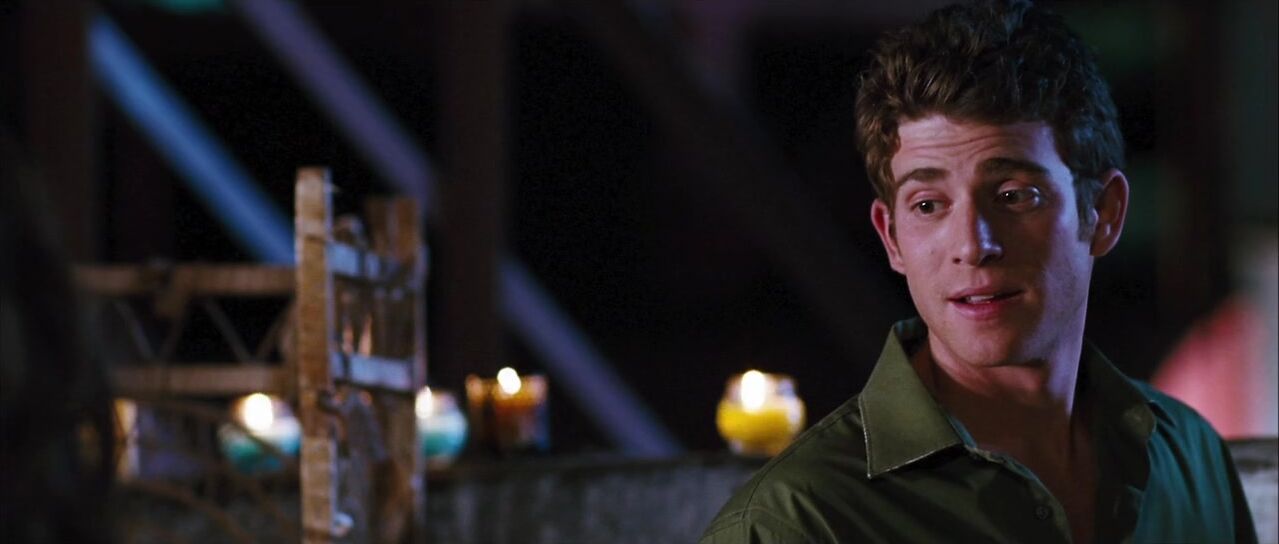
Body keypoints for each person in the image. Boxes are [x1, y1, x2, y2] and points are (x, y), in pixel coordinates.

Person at [699, 1, 1257, 542]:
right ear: (892, 237)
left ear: (1103, 213)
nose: (973, 244)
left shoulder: (1190, 456)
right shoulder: (796, 522)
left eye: (1014, 195)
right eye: (927, 205)